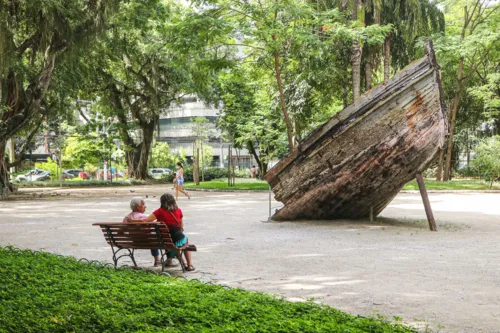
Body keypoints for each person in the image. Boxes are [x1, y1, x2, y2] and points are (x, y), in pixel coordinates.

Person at [141, 193, 195, 271]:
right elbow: (181, 227)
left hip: (164, 240)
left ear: (162, 202)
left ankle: (183, 264)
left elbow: (146, 221)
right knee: (185, 243)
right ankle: (189, 265)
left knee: (171, 242)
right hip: (177, 238)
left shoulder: (159, 211)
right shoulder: (179, 211)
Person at [123, 197, 163, 267]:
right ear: (138, 207)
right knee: (154, 239)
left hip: (134, 242)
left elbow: (121, 231)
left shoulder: (127, 217)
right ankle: (157, 260)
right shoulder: (143, 217)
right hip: (147, 241)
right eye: (144, 205)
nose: (145, 206)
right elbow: (150, 229)